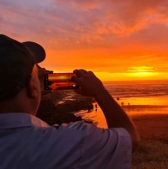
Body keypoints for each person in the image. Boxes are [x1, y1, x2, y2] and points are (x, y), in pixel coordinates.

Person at [0, 34, 140, 169]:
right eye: (37, 73)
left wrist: (34, 92)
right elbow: (130, 138)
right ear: (32, 85)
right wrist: (99, 92)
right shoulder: (72, 142)